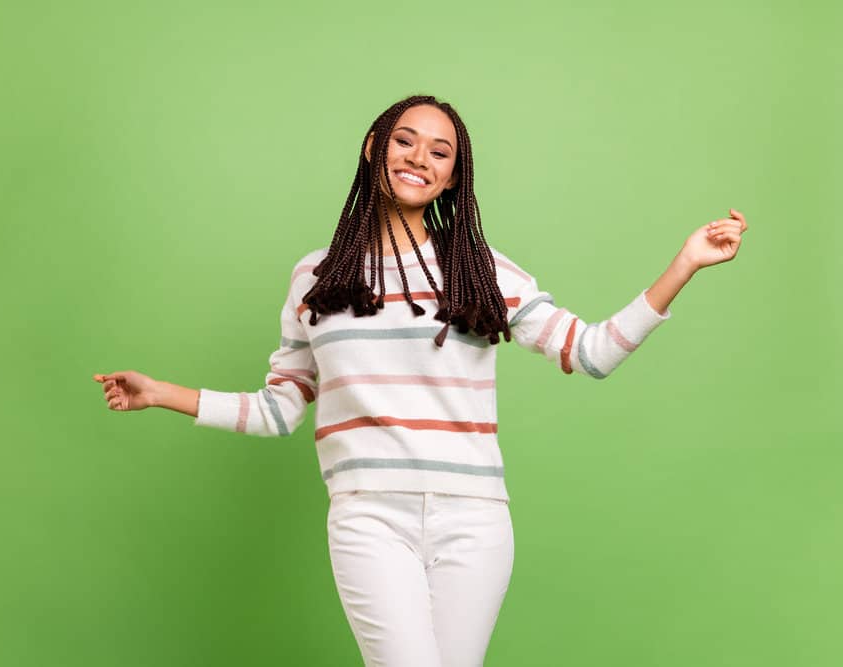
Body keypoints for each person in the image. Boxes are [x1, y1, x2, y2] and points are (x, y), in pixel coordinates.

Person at [93, 94, 748, 666]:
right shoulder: (314, 277)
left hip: (475, 521)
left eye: (441, 152)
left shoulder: (477, 268)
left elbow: (593, 351)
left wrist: (684, 263)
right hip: (370, 516)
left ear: (452, 176)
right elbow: (279, 408)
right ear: (374, 147)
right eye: (406, 140)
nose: (420, 157)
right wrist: (161, 394)